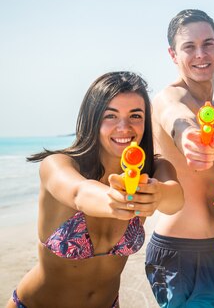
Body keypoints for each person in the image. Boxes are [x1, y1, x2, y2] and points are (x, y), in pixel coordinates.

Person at [7, 71, 184, 308]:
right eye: (111, 116)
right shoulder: (58, 165)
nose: (124, 127)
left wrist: (158, 193)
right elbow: (79, 193)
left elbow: (176, 199)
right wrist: (112, 198)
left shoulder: (154, 169)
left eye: (135, 115)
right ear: (93, 119)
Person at [145, 9, 214, 308]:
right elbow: (179, 119)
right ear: (173, 54)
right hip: (178, 255)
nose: (200, 53)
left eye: (208, 43)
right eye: (189, 47)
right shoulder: (168, 98)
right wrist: (189, 137)